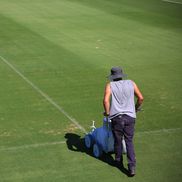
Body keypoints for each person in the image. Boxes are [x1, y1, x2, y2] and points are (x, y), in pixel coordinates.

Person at [103, 67, 144, 177]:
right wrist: (135, 108)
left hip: (117, 117)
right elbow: (141, 98)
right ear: (121, 75)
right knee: (129, 141)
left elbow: (106, 100)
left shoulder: (110, 85)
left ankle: (118, 160)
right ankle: (131, 167)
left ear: (112, 77)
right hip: (130, 117)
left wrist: (107, 113)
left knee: (118, 140)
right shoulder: (131, 83)